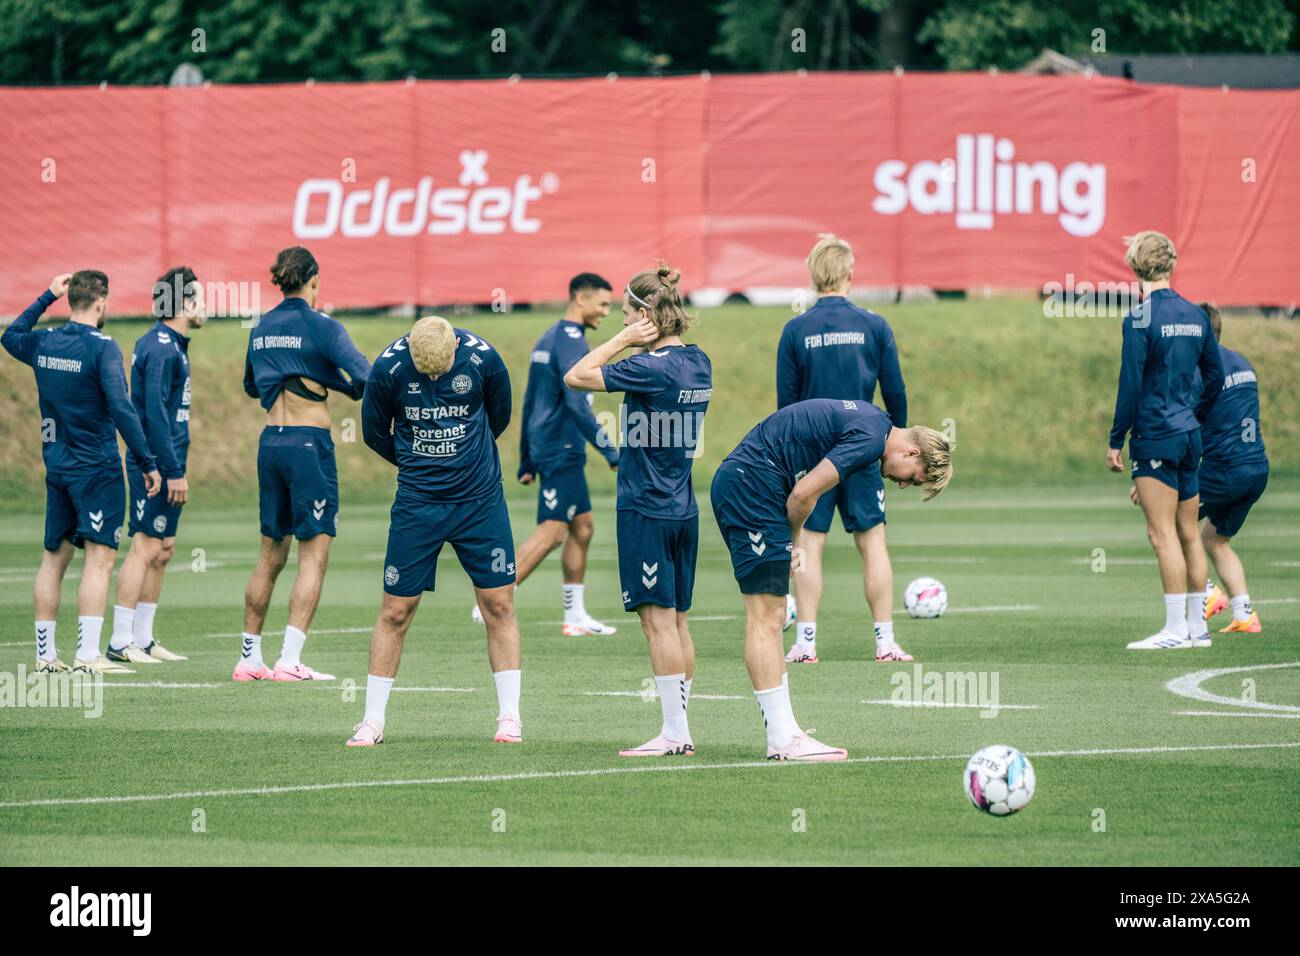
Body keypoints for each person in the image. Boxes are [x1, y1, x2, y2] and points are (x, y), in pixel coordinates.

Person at [711, 399, 952, 760]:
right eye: (912, 478)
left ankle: (786, 733)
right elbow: (804, 493)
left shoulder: (875, 421)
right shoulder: (871, 439)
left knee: (771, 618)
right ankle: (782, 740)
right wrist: (791, 542)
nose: (901, 484)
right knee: (765, 618)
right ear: (912, 452)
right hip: (753, 487)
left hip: (750, 483)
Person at [347, 316, 522, 747]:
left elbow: (498, 418)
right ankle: (371, 721)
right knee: (395, 610)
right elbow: (373, 434)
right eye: (426, 374)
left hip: (480, 501)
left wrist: (466, 460)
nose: (435, 378)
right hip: (417, 505)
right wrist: (416, 463)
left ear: (455, 349)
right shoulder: (387, 371)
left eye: (441, 372)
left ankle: (510, 718)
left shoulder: (485, 360)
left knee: (498, 604)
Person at [564, 262, 712, 757]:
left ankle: (674, 732)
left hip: (646, 507)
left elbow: (576, 375)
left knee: (658, 624)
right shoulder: (699, 361)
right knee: (679, 622)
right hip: (684, 508)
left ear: (646, 316)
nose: (621, 323)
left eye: (627, 315)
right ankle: (681, 725)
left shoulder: (649, 366)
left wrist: (624, 341)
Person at [1, 271, 161, 675]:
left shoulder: (46, 340)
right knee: (100, 557)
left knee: (53, 559)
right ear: (102, 301)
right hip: (97, 467)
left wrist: (45, 296)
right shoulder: (103, 348)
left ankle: (44, 656)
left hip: (57, 466)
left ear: (70, 298)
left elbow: (10, 336)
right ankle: (89, 656)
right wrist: (147, 460)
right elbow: (121, 407)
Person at [235, 247, 370, 681]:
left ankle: (248, 659)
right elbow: (365, 377)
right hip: (309, 445)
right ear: (313, 280)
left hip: (270, 443)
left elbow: (251, 386)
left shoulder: (260, 327)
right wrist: (336, 383)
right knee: (314, 554)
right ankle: (289, 660)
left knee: (269, 555)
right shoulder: (323, 327)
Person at [777, 234, 910, 664]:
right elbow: (895, 393)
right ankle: (885, 642)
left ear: (814, 276)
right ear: (850, 274)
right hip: (864, 448)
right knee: (872, 543)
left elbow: (787, 404)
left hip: (815, 454)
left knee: (810, 543)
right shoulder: (874, 325)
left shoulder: (796, 329)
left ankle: (806, 643)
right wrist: (896, 442)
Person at [1108, 231, 1223, 650]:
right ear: (1171, 264)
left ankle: (1175, 630)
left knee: (1162, 535)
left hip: (1156, 436)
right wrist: (1195, 416)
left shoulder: (1139, 318)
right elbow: (1215, 377)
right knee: (1189, 532)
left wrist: (1116, 439)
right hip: (1190, 436)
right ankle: (1197, 629)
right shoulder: (1195, 315)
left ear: (1135, 267)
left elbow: (1131, 385)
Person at [488, 273, 621, 635]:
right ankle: (494, 596)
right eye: (604, 303)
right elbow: (577, 405)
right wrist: (612, 451)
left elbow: (531, 401)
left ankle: (575, 616)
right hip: (561, 446)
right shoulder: (572, 342)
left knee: (583, 527)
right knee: (552, 531)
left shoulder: (548, 336)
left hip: (551, 446)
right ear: (581, 299)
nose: (607, 312)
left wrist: (526, 458)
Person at [1131, 304, 1269, 634]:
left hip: (1225, 471)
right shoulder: (1243, 363)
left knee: (1172, 522)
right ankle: (1245, 615)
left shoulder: (1199, 371)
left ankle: (1206, 593)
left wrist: (1154, 473)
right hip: (1256, 468)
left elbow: (1183, 425)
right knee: (1215, 540)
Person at [106, 267, 206, 665]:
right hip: (157, 465)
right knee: (145, 546)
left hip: (168, 460)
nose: (204, 306)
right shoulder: (162, 346)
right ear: (183, 304)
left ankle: (143, 638)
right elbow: (155, 416)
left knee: (164, 548)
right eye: (198, 298)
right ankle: (118, 641)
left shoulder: (172, 343)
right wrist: (169, 469)